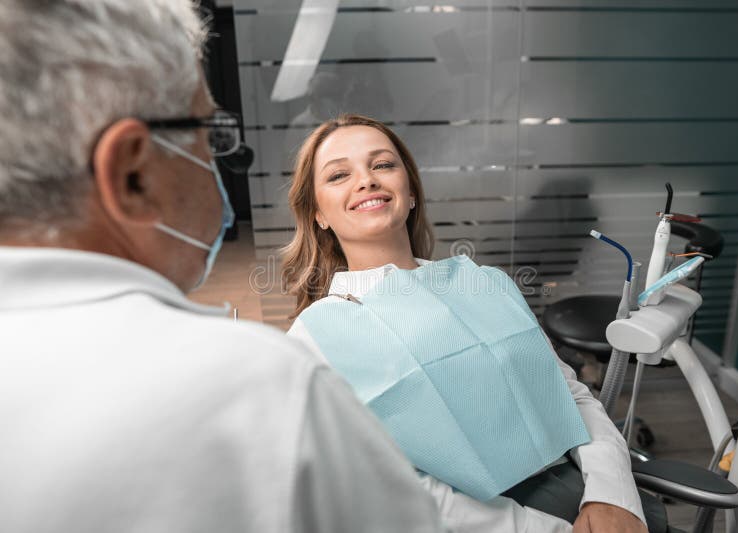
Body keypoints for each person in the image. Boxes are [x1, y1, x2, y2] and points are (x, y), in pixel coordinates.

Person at [0, 3, 445, 532]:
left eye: (383, 164)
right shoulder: (267, 385)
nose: (222, 160)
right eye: (209, 135)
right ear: (133, 174)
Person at [283, 114, 660, 533]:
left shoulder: (486, 283)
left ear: (409, 193)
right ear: (318, 214)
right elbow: (385, 484)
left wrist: (612, 494)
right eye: (339, 175)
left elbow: (570, 396)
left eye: (383, 165)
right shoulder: (316, 336)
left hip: (588, 493)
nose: (366, 180)